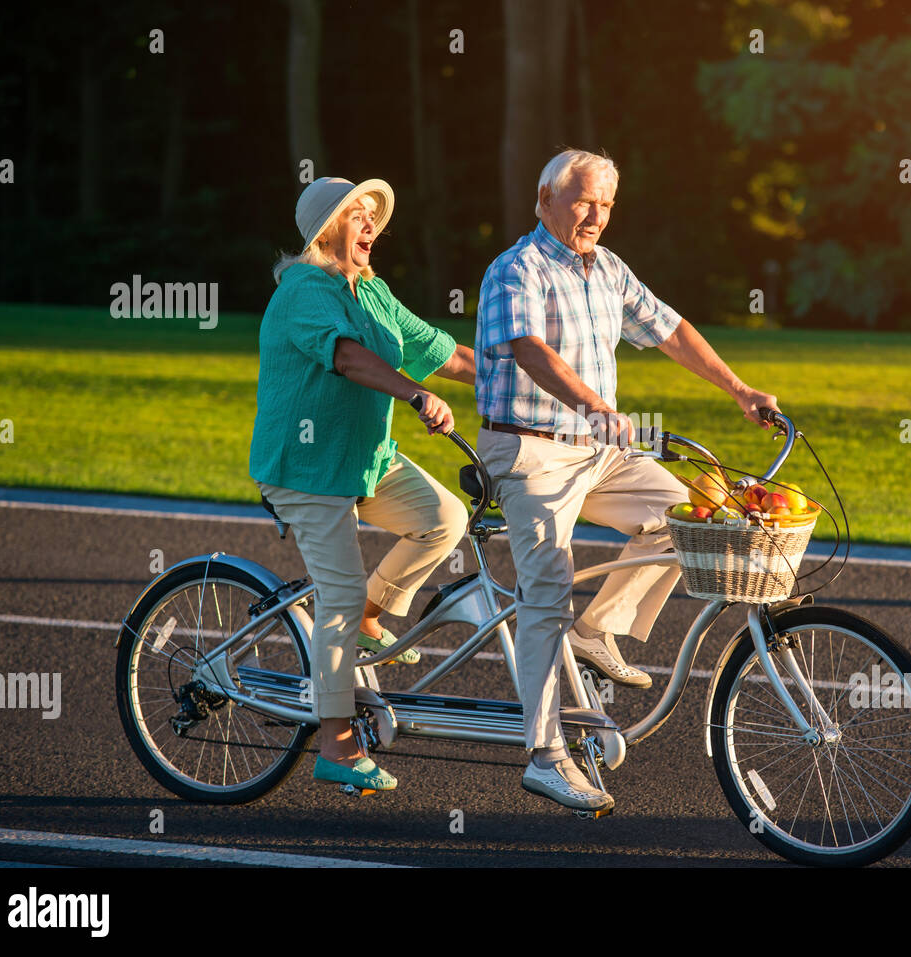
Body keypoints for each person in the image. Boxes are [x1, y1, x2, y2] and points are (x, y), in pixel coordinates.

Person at [475, 149, 780, 812]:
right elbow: (531, 350)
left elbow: (670, 330)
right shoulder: (514, 269)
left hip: (597, 449)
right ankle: (545, 754)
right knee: (545, 590)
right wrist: (595, 407)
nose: (594, 215)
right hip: (528, 450)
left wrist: (738, 388)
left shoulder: (608, 269)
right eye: (583, 199)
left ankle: (599, 628)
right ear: (544, 198)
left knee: (691, 519)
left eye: (606, 204)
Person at [250, 176, 475, 794]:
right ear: (327, 229)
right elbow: (346, 356)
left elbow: (443, 353)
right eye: (358, 214)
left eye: (374, 214)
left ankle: (375, 614)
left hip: (364, 461)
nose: (371, 223)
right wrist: (412, 391)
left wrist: (525, 383)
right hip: (306, 471)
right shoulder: (303, 289)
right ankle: (336, 745)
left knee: (445, 519)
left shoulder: (370, 290)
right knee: (339, 601)